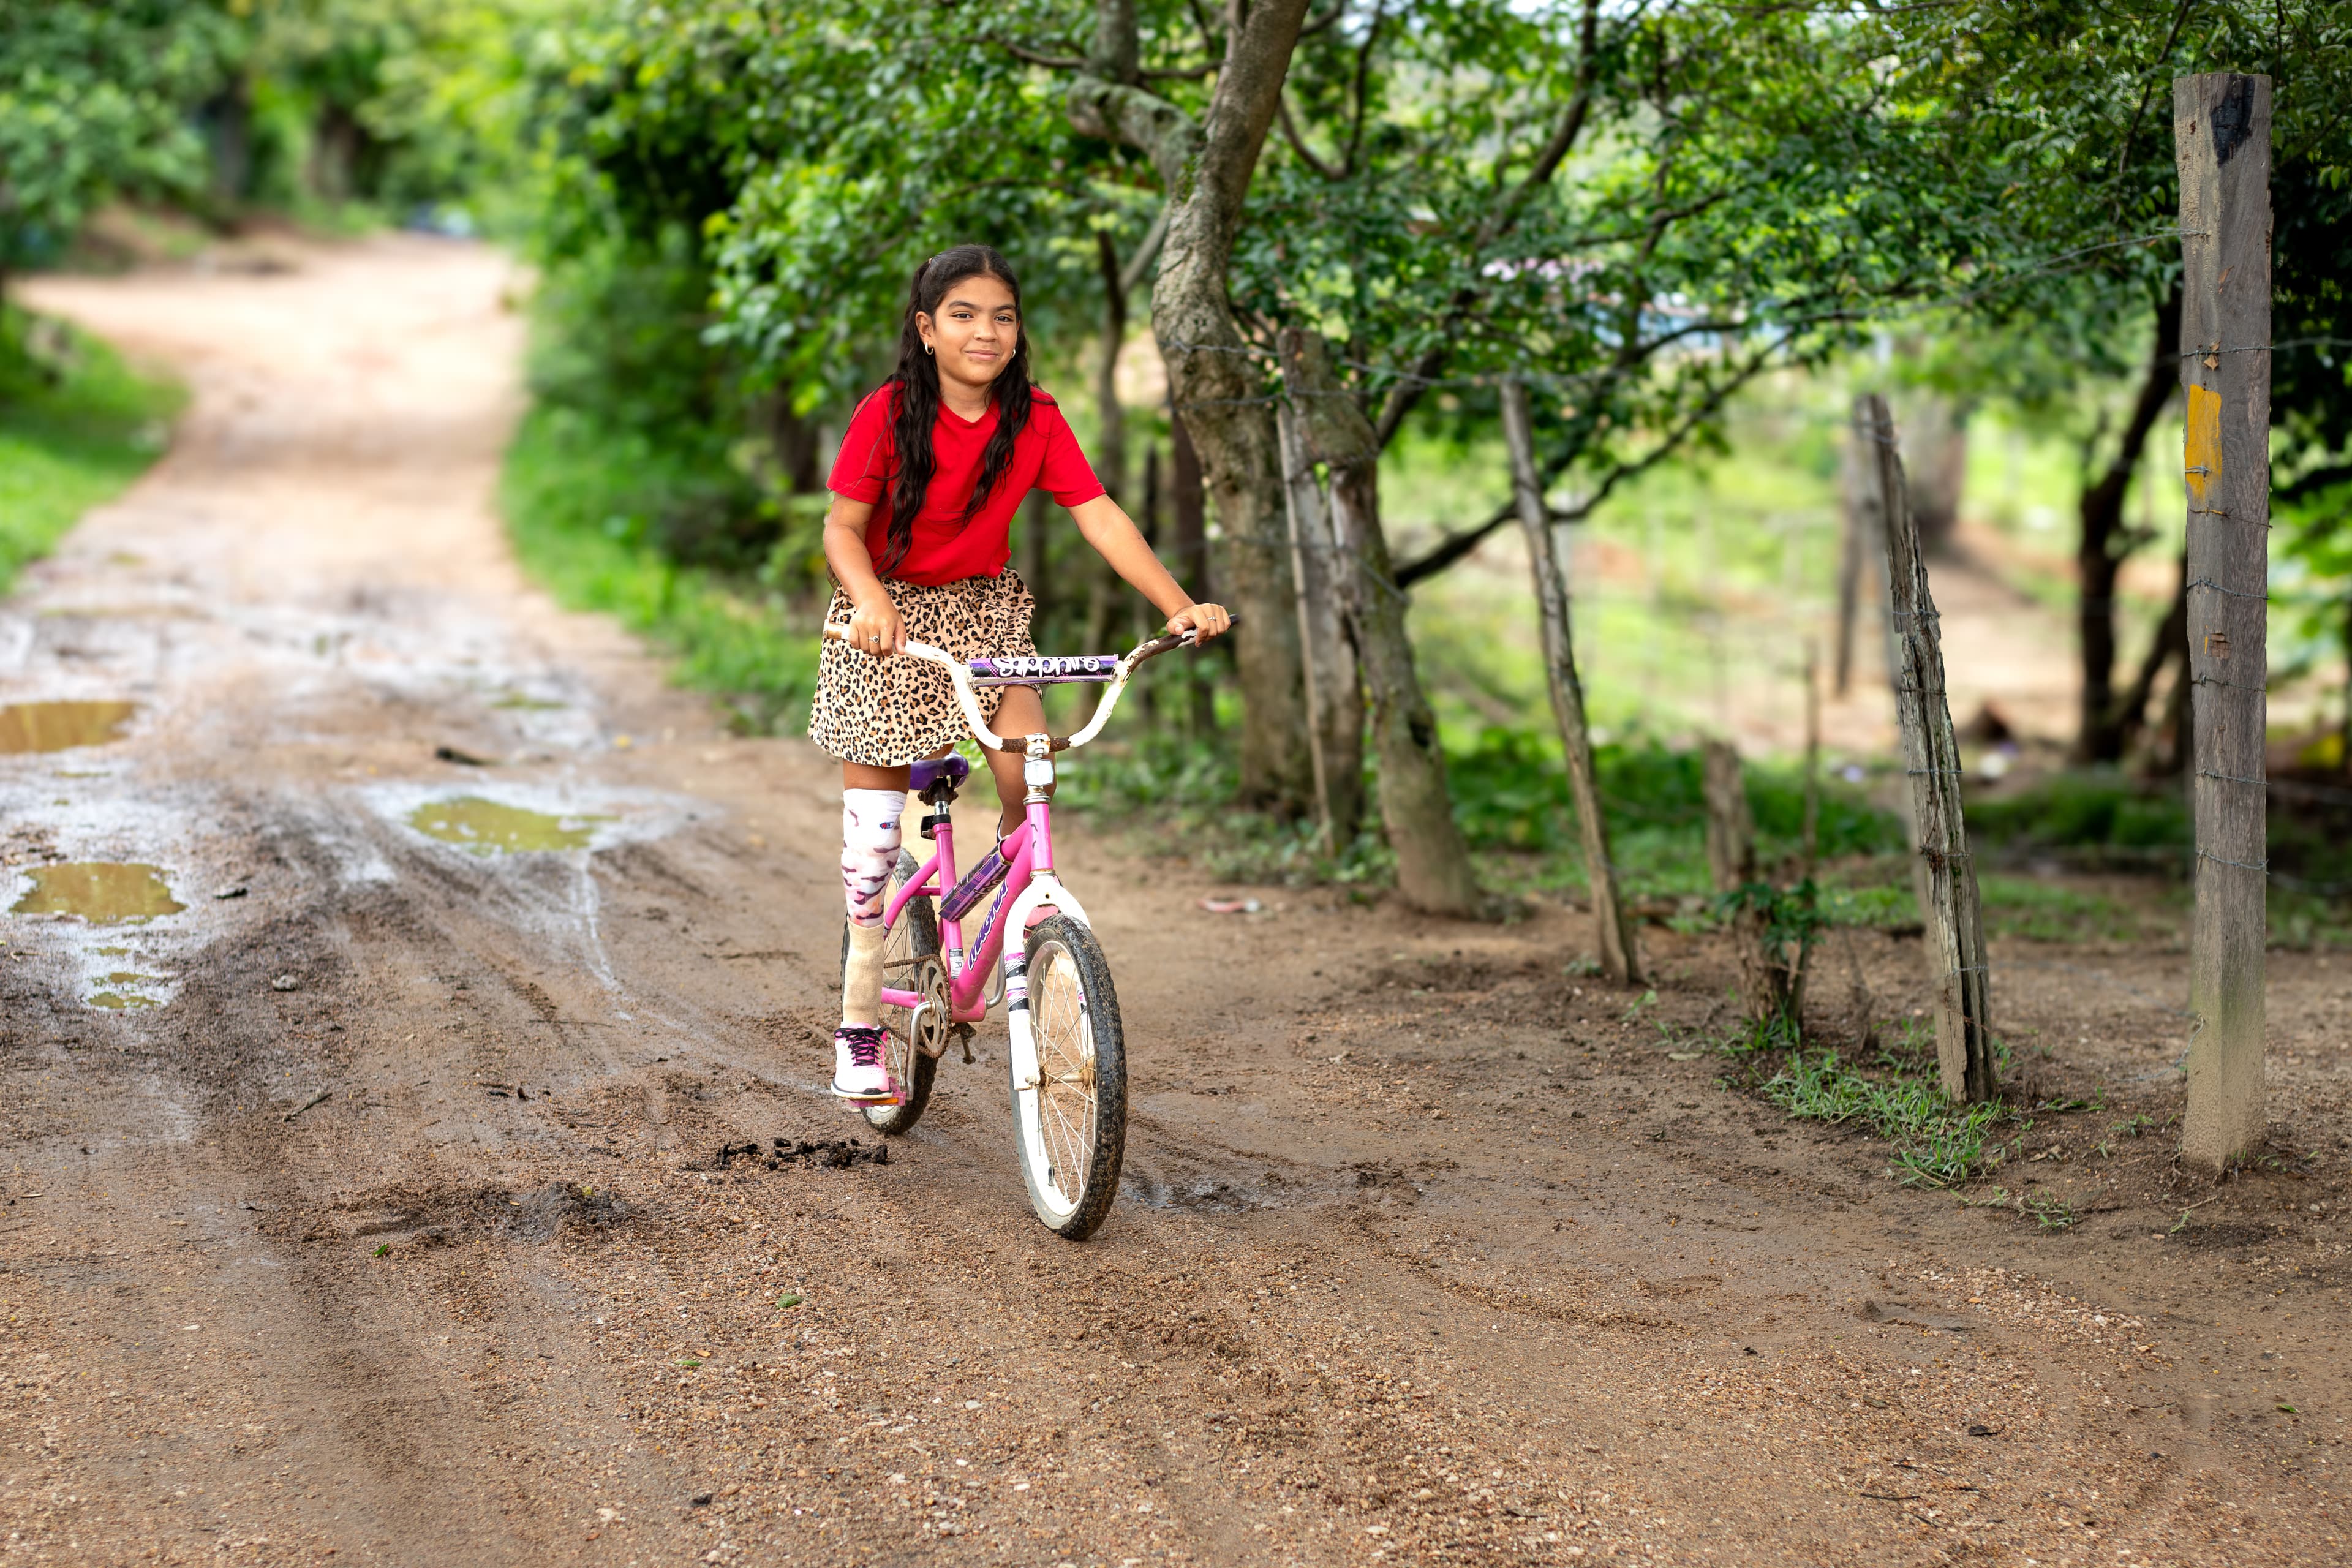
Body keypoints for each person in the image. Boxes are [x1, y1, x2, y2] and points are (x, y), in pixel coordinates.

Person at [812, 243, 1229, 1103]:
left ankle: (1017, 910)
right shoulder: (888, 414)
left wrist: (1177, 603)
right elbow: (841, 530)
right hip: (887, 621)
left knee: (1026, 775)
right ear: (927, 329)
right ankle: (860, 1028)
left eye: (1003, 316)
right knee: (875, 848)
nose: (986, 332)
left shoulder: (1034, 418)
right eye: (963, 315)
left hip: (984, 616)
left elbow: (1101, 516)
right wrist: (868, 600)